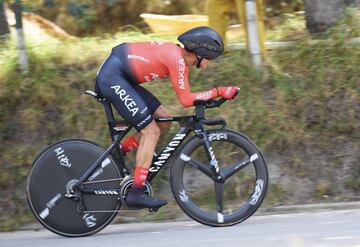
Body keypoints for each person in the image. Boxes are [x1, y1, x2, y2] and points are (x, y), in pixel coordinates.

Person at [95, 26, 239, 209]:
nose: (207, 64)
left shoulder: (176, 56)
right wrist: (219, 91)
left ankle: (121, 151)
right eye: (209, 59)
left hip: (121, 75)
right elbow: (186, 100)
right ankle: (136, 193)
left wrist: (214, 95)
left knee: (163, 119)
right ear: (200, 52)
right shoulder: (177, 60)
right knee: (151, 131)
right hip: (113, 77)